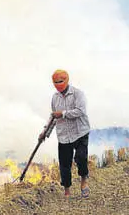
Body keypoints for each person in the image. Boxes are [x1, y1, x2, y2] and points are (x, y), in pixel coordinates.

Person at [40, 69, 91, 199]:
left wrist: (62, 113)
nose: (58, 84)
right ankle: (67, 191)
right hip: (63, 135)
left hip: (80, 132)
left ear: (66, 80)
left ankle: (84, 181)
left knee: (81, 158)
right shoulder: (55, 98)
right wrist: (45, 133)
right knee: (64, 164)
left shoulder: (77, 94)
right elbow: (53, 118)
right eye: (56, 82)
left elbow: (80, 111)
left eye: (61, 81)